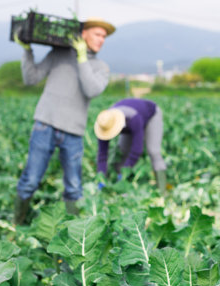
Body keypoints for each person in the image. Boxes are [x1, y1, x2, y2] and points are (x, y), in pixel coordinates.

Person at [12, 17, 115, 224]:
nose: (101, 39)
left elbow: (91, 89)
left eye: (104, 36)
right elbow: (31, 79)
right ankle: (17, 225)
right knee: (30, 180)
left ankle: (75, 236)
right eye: (97, 34)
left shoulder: (101, 67)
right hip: (45, 124)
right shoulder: (58, 53)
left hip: (73, 132)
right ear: (83, 33)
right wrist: (27, 50)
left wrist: (82, 58)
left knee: (74, 187)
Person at [93, 98, 167, 194]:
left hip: (151, 115)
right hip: (128, 122)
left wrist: (124, 172)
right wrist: (101, 178)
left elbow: (137, 150)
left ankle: (162, 190)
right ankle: (122, 190)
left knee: (153, 151)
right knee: (122, 153)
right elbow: (102, 154)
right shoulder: (104, 123)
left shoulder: (133, 118)